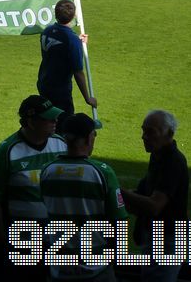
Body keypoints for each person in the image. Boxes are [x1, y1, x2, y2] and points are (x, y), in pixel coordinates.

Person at [0, 95, 66, 281]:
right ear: (31, 121)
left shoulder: (60, 144)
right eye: (48, 118)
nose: (55, 121)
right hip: (22, 242)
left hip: (56, 239)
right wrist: (2, 239)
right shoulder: (6, 152)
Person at [40, 113, 128, 282]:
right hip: (97, 268)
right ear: (88, 139)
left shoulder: (47, 171)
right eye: (94, 134)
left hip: (60, 268)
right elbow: (119, 221)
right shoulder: (103, 172)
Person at [121, 110, 189, 282]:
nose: (144, 136)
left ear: (169, 134)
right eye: (144, 131)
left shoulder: (172, 162)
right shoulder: (158, 156)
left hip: (166, 238)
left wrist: (118, 191)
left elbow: (154, 206)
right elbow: (144, 193)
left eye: (150, 132)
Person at [37, 0, 96, 117]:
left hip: (43, 83)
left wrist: (77, 41)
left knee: (47, 119)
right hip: (60, 90)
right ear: (74, 15)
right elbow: (78, 73)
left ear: (55, 13)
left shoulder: (47, 31)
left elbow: (57, 48)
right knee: (63, 124)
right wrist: (87, 98)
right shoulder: (71, 40)